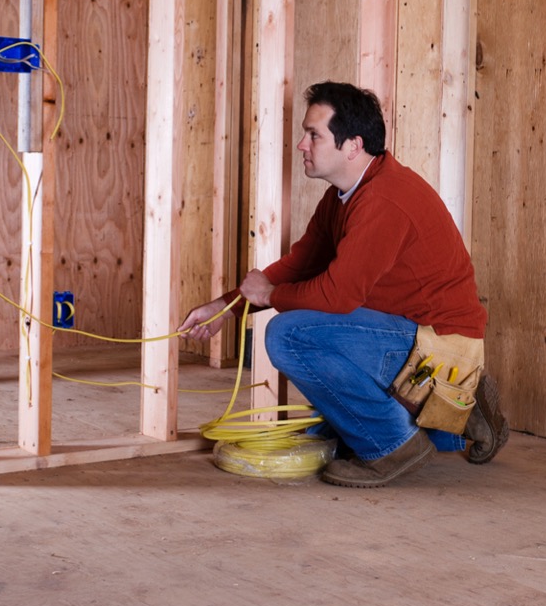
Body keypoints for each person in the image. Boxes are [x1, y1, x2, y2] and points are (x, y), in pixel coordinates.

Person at [180, 81, 508, 487]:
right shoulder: (344, 195)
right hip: (407, 337)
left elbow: (337, 296)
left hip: (438, 343)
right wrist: (225, 306)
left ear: (352, 145)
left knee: (289, 334)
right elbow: (301, 265)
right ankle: (460, 409)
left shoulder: (384, 200)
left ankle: (392, 444)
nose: (301, 144)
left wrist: (271, 296)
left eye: (313, 134)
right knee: (330, 417)